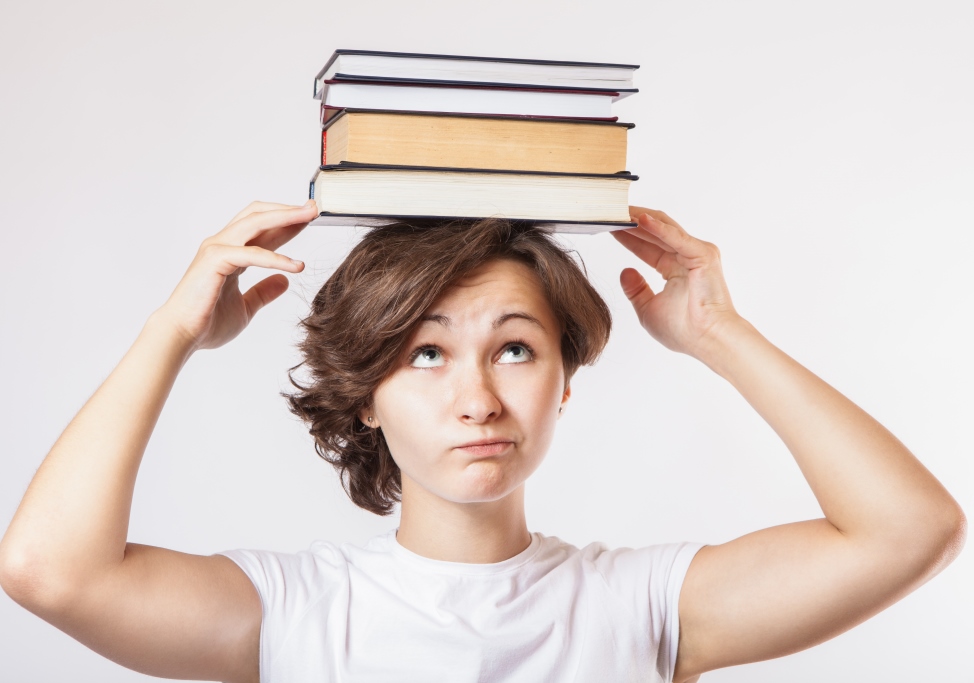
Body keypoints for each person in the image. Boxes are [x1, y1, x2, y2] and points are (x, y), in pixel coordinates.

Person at [0, 200, 965, 683]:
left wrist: (719, 333)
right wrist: (170, 332)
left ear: (564, 383)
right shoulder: (294, 611)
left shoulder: (640, 604)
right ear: (366, 398)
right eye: (425, 353)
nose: (477, 398)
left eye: (514, 348)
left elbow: (910, 529)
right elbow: (49, 571)